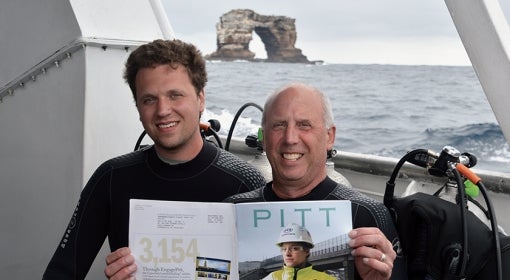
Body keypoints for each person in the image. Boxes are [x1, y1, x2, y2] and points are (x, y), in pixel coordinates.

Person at [42, 39, 266, 279]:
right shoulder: (111, 178)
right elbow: (61, 272)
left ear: (201, 98)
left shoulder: (245, 182)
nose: (162, 110)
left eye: (175, 95)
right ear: (138, 107)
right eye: (149, 99)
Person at [224, 83, 407, 280]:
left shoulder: (368, 215)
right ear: (264, 137)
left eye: (304, 125)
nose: (290, 138)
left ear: (330, 137)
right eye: (279, 125)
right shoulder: (230, 211)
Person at [262, 223, 336, 280]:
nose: (287, 254)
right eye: (284, 249)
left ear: (307, 251)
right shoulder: (273, 278)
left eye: (294, 248)